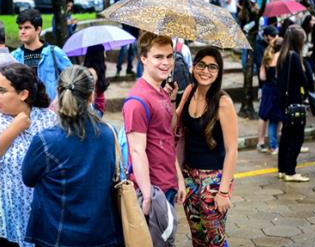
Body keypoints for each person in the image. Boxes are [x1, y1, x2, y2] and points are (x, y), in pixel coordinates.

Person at [22, 65, 123, 247]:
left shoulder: (45, 140)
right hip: (103, 234)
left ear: (58, 93)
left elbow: (28, 178)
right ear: (91, 95)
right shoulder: (109, 133)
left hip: (57, 235)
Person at [0, 63, 56, 246]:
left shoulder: (47, 120)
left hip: (33, 220)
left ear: (23, 94)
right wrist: (14, 129)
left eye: (2, 90)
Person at [176, 47, 238, 246]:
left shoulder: (223, 102)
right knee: (198, 238)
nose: (206, 71)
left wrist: (223, 192)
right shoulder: (189, 91)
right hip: (189, 177)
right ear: (193, 67)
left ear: (218, 72)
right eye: (201, 65)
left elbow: (232, 150)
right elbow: (173, 127)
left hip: (214, 179)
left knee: (215, 238)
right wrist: (170, 98)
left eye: (212, 67)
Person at [122, 31, 185, 217]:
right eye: (158, 57)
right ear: (143, 59)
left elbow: (166, 136)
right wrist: (148, 196)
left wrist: (178, 178)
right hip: (153, 190)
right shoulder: (137, 100)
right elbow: (136, 151)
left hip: (168, 184)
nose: (166, 62)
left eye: (169, 56)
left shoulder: (162, 92)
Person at [277, 25, 313, 182]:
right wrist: (306, 65)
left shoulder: (283, 56)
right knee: (297, 138)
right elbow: (306, 81)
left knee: (286, 136)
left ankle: (282, 170)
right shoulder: (294, 57)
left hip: (284, 103)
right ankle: (291, 171)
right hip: (295, 104)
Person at [11, 9, 72, 101]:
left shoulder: (54, 52)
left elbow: (72, 78)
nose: (22, 32)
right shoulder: (14, 56)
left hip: (50, 109)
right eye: (20, 28)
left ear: (38, 29)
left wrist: (59, 99)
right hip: (24, 109)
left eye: (27, 28)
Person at [257, 37, 283, 155]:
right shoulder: (282, 58)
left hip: (267, 89)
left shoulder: (267, 57)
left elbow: (262, 77)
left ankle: (261, 142)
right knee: (275, 119)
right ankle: (273, 144)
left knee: (263, 116)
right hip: (277, 90)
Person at [83, 44, 110, 116]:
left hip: (98, 107)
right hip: (95, 109)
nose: (105, 55)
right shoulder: (91, 73)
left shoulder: (99, 68)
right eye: (104, 52)